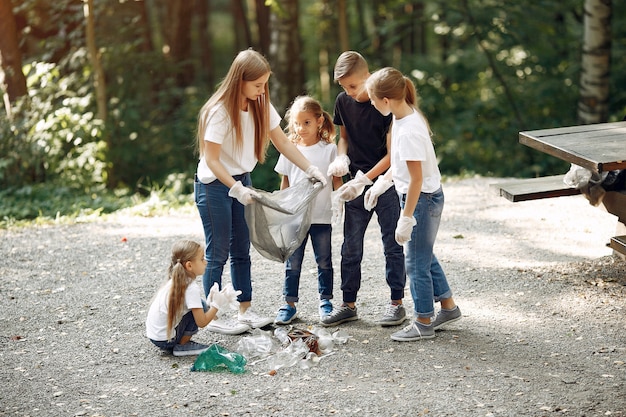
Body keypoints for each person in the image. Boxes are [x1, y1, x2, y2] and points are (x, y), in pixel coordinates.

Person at [194, 49, 328, 335]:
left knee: (242, 249)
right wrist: (236, 188)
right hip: (214, 185)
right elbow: (212, 160)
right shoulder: (218, 111)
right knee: (218, 251)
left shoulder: (260, 104)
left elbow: (282, 142)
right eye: (257, 85)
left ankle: (245, 311)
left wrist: (309, 168)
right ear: (239, 80)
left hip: (241, 179)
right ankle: (211, 314)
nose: (262, 90)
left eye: (264, 84)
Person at [364, 67, 461, 341]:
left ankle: (423, 321)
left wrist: (406, 218)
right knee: (424, 255)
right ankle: (448, 307)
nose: (371, 104)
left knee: (415, 263)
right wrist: (382, 183)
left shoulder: (408, 130)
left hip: (422, 199)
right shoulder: (403, 118)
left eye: (372, 99)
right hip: (422, 195)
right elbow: (400, 165)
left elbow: (416, 179)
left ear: (385, 100)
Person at [321, 51, 407, 327]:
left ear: (368, 77)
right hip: (355, 184)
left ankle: (396, 303)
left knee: (392, 244)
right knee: (350, 246)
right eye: (344, 88)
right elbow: (343, 138)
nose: (349, 92)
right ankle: (348, 304)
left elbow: (393, 154)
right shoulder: (343, 101)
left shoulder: (384, 104)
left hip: (385, 184)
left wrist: (365, 180)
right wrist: (341, 158)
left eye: (354, 86)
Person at [272, 96, 344, 325]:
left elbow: (337, 181)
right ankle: (289, 304)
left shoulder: (330, 150)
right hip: (295, 219)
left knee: (324, 261)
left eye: (306, 123)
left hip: (322, 217)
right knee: (293, 263)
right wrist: (282, 209)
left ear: (319, 121)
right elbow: (285, 183)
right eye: (296, 123)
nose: (300, 128)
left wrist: (339, 203)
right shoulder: (289, 149)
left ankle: (326, 302)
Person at [145, 240, 241, 356]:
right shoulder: (191, 287)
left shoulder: (176, 280)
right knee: (199, 306)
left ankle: (180, 342)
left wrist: (210, 304)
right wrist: (216, 305)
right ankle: (182, 345)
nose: (205, 262)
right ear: (189, 265)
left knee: (200, 304)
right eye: (202, 259)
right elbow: (201, 322)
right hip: (166, 341)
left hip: (155, 336)